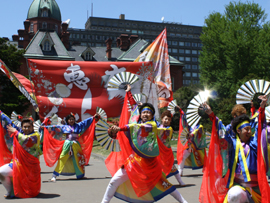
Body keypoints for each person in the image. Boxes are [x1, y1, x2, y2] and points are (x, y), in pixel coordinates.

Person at [101, 103, 188, 203]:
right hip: (134, 162)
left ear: (152, 116)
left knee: (164, 185)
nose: (145, 114)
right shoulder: (136, 124)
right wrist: (115, 132)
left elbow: (136, 127)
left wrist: (120, 128)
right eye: (143, 112)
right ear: (140, 114)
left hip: (149, 164)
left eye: (148, 112)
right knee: (114, 182)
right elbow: (132, 127)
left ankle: (183, 201)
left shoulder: (152, 125)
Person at [199, 95, 268, 203]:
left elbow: (260, 124)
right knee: (234, 194)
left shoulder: (254, 143)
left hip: (256, 189)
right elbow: (220, 129)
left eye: (250, 129)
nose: (249, 132)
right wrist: (210, 114)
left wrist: (262, 107)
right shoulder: (233, 144)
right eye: (246, 129)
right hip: (238, 186)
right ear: (239, 131)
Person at [41, 113, 99, 182]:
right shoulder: (64, 127)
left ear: (74, 120)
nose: (71, 120)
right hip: (67, 143)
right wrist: (45, 127)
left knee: (79, 159)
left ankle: (80, 175)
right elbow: (55, 127)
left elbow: (85, 122)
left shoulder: (78, 126)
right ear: (67, 120)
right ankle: (54, 175)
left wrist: (93, 117)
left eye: (72, 119)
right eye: (70, 119)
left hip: (76, 144)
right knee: (62, 157)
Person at [0, 112, 41, 199]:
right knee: (1, 172)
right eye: (24, 127)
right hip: (18, 163)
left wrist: (16, 132)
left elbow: (26, 140)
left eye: (29, 127)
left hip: (30, 167)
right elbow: (10, 124)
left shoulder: (35, 136)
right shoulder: (19, 133)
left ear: (33, 127)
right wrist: (1, 114)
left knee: (29, 188)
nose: (26, 129)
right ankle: (10, 190)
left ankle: (20, 190)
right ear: (22, 127)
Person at [176, 106, 207, 180]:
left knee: (202, 158)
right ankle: (180, 171)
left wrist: (192, 134)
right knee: (183, 156)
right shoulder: (189, 126)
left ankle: (207, 169)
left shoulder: (199, 126)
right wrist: (181, 110)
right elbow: (184, 118)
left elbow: (197, 131)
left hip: (196, 145)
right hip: (189, 145)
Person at [158, 110, 185, 185]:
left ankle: (180, 181)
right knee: (159, 168)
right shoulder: (157, 127)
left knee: (172, 167)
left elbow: (163, 131)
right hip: (159, 152)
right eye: (165, 119)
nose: (167, 121)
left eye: (169, 120)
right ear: (162, 119)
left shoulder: (169, 129)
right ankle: (161, 182)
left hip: (167, 152)